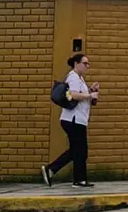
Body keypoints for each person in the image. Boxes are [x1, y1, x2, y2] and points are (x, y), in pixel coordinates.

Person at [42, 53, 99, 188]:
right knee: (81, 150)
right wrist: (90, 95)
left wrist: (91, 91)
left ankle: (51, 169)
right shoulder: (73, 77)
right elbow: (73, 95)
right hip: (73, 120)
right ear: (76, 64)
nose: (87, 66)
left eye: (88, 63)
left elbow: (81, 96)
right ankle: (79, 180)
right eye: (85, 63)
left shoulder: (80, 79)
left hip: (78, 120)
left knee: (77, 150)